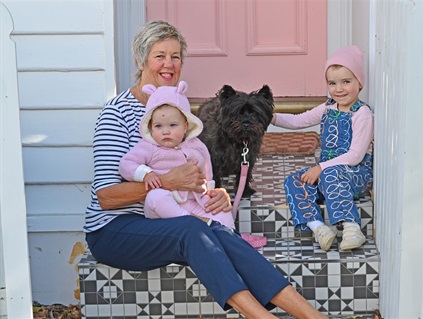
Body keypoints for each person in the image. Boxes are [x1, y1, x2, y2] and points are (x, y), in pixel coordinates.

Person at [84, 20, 328, 319]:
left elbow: (197, 178)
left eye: (176, 56)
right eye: (160, 55)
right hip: (115, 230)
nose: (169, 64)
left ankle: (314, 317)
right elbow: (106, 198)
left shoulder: (180, 113)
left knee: (217, 231)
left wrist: (217, 195)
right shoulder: (116, 114)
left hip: (172, 221)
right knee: (194, 229)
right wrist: (167, 183)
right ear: (140, 60)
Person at [271, 45, 374, 252]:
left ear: (359, 83)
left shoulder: (362, 114)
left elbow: (355, 156)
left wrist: (321, 168)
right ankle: (318, 228)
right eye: (332, 83)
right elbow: (299, 120)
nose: (339, 89)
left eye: (346, 82)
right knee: (294, 181)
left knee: (331, 174)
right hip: (329, 174)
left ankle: (352, 228)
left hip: (356, 175)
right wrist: (269, 116)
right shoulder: (328, 107)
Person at [118, 80, 235, 228]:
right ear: (150, 128)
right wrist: (145, 174)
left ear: (186, 126)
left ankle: (231, 238)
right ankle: (193, 222)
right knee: (155, 196)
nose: (165, 131)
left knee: (221, 210)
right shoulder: (148, 147)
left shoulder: (196, 146)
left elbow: (207, 168)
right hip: (163, 209)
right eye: (158, 126)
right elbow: (126, 164)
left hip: (194, 201)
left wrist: (210, 191)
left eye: (173, 125)